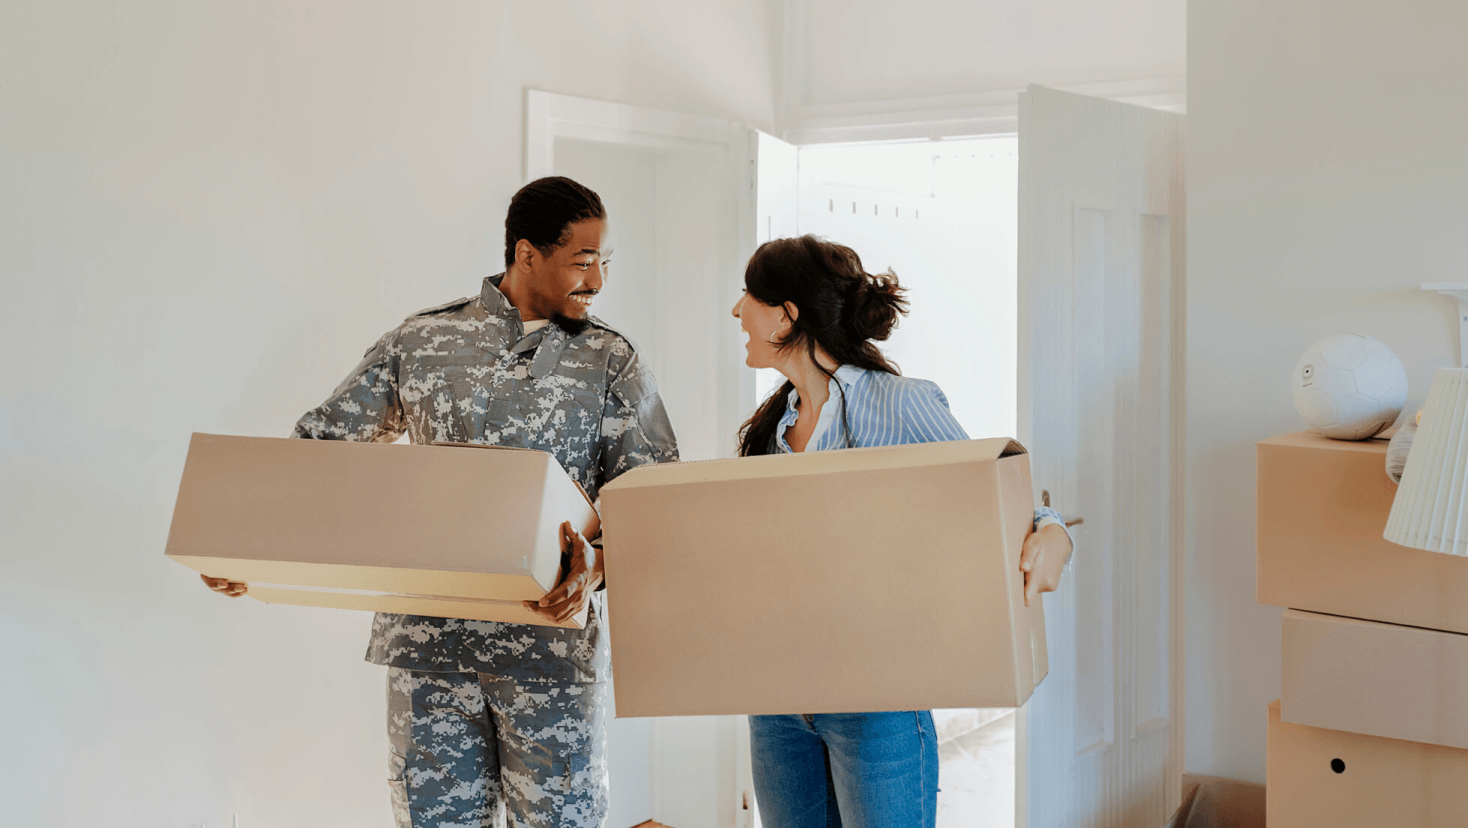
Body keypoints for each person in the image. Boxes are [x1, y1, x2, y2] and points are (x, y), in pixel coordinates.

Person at [201, 176, 679, 828]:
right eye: (582, 260)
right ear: (527, 254)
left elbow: (653, 504)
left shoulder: (610, 360)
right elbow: (320, 450)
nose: (597, 280)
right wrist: (242, 549)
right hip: (428, 657)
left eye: (604, 261)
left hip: (548, 660)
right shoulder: (421, 342)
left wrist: (594, 568)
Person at [731, 235, 1074, 828]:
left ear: (786, 315)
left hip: (876, 704)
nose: (737, 310)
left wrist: (1053, 533)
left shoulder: (899, 404)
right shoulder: (771, 427)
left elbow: (998, 498)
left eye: (749, 296)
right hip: (777, 705)